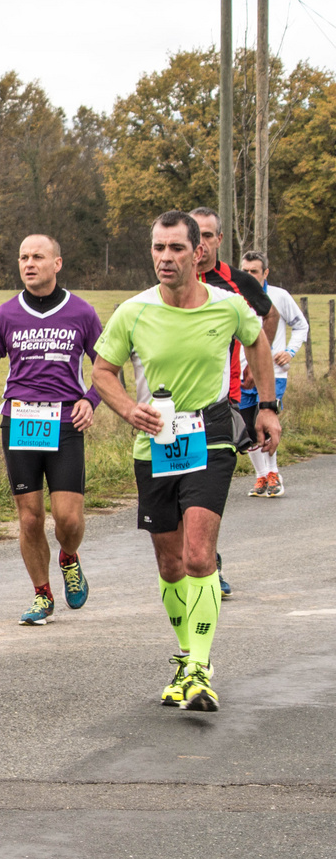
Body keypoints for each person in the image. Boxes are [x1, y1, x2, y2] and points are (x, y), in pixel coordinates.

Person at [90, 210, 278, 712]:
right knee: (170, 562)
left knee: (199, 555)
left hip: (211, 434)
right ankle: (186, 656)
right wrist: (129, 408)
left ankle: (199, 666)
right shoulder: (132, 311)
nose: (165, 258)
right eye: (157, 248)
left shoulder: (227, 305)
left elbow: (258, 341)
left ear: (198, 252)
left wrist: (266, 405)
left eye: (175, 248)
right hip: (155, 441)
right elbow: (103, 370)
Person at [0, 235, 103, 625]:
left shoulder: (82, 312)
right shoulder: (6, 314)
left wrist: (89, 400)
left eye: (37, 257)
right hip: (21, 422)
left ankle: (69, 556)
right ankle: (42, 594)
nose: (29, 263)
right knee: (29, 518)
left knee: (68, 520)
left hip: (65, 423)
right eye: (23, 257)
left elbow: (107, 365)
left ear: (57, 263)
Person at [189, 207, 277, 600]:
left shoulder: (235, 281)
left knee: (207, 485)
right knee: (180, 488)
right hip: (176, 404)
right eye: (197, 235)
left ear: (219, 240)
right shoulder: (173, 278)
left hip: (227, 401)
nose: (202, 244)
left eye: (209, 235)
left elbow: (268, 317)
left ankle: (209, 562)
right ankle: (199, 556)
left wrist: (260, 365)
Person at [239, 250, 308, 497]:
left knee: (265, 422)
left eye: (254, 271)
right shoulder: (231, 296)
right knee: (247, 429)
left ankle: (273, 474)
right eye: (244, 271)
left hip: (273, 372)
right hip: (241, 374)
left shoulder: (279, 296)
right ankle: (260, 477)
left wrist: (289, 351)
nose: (248, 276)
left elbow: (301, 325)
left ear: (265, 272)